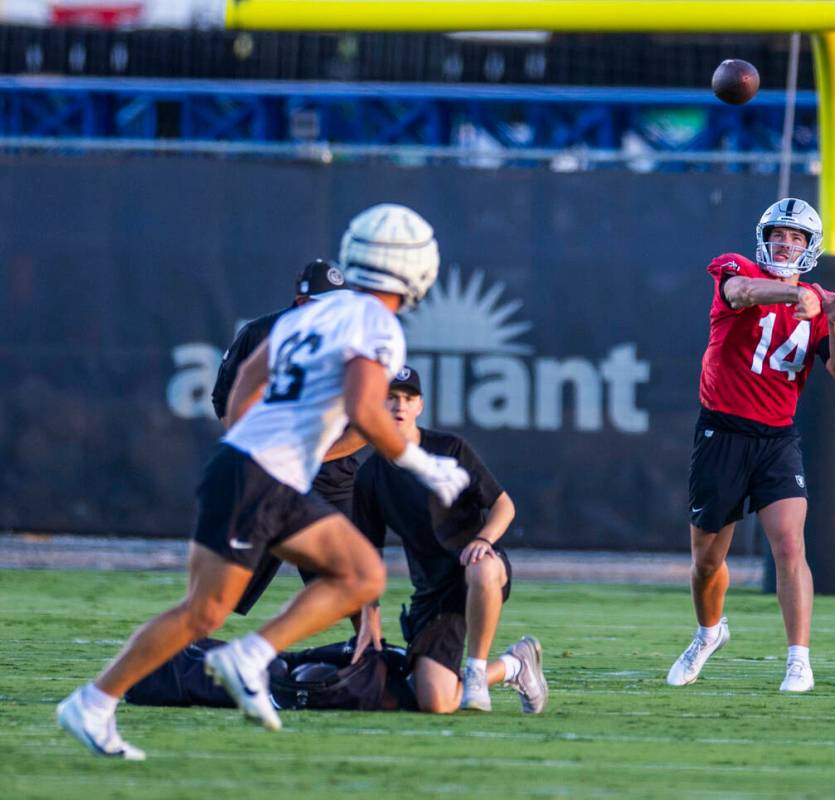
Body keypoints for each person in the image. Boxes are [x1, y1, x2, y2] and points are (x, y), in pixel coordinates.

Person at [57, 203, 470, 759]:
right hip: (261, 476)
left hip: (253, 469)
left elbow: (247, 381)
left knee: (356, 576)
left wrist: (263, 443)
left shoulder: (307, 315)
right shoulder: (378, 325)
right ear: (419, 269)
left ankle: (114, 697)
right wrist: (420, 462)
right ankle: (118, 694)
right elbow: (364, 408)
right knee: (208, 612)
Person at [667, 197, 835, 693]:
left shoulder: (818, 303)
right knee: (707, 561)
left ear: (810, 247)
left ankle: (799, 659)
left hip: (776, 437)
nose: (785, 243)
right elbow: (744, 291)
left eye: (796, 238)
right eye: (779, 234)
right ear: (764, 237)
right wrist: (795, 296)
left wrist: (833, 320)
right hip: (722, 432)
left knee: (791, 545)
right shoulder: (740, 268)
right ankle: (709, 632)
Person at [351, 366, 548, 714]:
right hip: (433, 593)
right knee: (436, 703)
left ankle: (474, 670)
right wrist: (370, 619)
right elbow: (366, 556)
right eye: (391, 398)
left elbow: (504, 505)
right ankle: (514, 665)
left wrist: (484, 539)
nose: (399, 406)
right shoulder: (370, 475)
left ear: (420, 406)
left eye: (408, 398)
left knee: (482, 570)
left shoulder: (449, 448)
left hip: (478, 568)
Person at [210, 258, 365, 615]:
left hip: (330, 479)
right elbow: (225, 400)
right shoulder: (262, 336)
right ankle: (191, 656)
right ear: (301, 303)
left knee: (351, 580)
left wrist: (314, 456)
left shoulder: (354, 343)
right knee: (225, 585)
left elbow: (366, 424)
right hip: (270, 477)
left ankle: (368, 656)